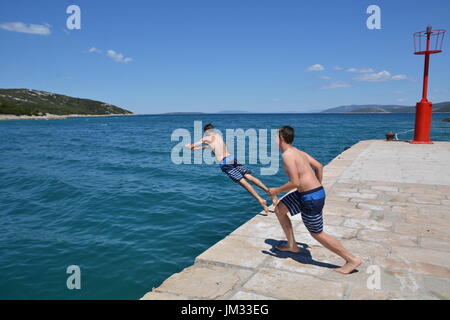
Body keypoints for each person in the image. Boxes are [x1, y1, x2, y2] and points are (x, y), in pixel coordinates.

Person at [268, 126, 362, 274]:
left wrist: (275, 190)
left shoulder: (287, 155)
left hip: (310, 197)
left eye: (274, 137)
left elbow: (295, 183)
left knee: (317, 233)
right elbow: (319, 166)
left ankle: (351, 259)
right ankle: (292, 245)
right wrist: (317, 185)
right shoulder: (297, 151)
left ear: (281, 138)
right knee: (280, 210)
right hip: (309, 193)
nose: (272, 140)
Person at [186, 123, 277, 213]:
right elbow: (208, 146)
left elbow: (193, 146)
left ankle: (260, 199)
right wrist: (199, 148)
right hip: (232, 158)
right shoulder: (217, 135)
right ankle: (269, 192)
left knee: (243, 182)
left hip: (225, 163)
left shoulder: (205, 138)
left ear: (206, 132)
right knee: (249, 177)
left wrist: (188, 146)